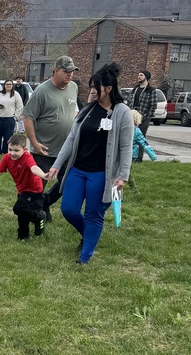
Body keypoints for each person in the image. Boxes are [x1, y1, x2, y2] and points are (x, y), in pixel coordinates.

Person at [48, 63, 134, 267]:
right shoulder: (88, 110)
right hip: (77, 170)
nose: (92, 90)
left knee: (93, 214)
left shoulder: (122, 113)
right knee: (68, 209)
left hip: (101, 175)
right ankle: (89, 236)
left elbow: (126, 147)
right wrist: (57, 165)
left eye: (96, 87)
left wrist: (122, 176)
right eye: (91, 86)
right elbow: (71, 139)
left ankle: (85, 257)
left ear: (109, 89)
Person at [22, 57, 80, 221]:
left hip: (66, 149)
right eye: (66, 71)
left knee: (66, 183)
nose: (69, 75)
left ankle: (46, 202)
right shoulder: (42, 91)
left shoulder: (73, 88)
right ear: (55, 71)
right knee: (38, 185)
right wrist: (34, 143)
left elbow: (72, 111)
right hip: (44, 150)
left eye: (72, 72)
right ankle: (35, 213)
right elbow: (27, 117)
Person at [0, 131, 49, 240]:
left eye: (16, 150)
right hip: (21, 189)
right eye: (10, 149)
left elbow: (34, 168)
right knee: (22, 214)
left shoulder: (27, 157)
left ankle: (39, 217)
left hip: (34, 190)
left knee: (18, 208)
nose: (12, 153)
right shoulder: (6, 158)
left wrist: (43, 175)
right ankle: (23, 236)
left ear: (24, 150)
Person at [0, 78, 24, 155]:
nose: (8, 86)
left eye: (10, 84)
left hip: (9, 119)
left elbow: (20, 106)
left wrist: (15, 116)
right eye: (7, 84)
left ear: (12, 85)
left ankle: (5, 151)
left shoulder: (15, 94)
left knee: (8, 136)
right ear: (4, 85)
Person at [130, 71, 156, 163]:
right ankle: (132, 156)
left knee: (140, 137)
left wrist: (147, 116)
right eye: (138, 75)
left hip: (144, 118)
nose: (139, 77)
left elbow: (153, 105)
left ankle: (139, 158)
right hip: (132, 117)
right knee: (131, 137)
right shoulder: (135, 89)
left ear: (146, 77)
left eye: (141, 75)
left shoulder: (151, 90)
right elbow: (130, 101)